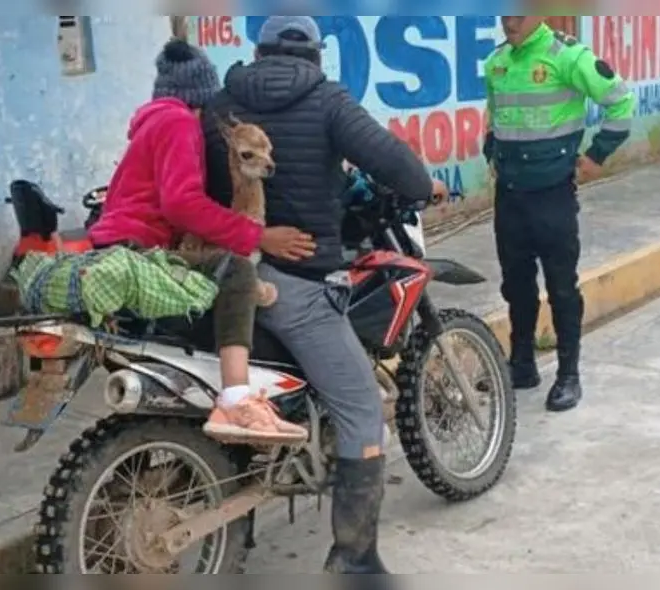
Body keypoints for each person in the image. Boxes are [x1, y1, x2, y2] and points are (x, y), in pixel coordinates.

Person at [200, 16, 449, 574]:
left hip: (221, 270)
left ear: (258, 53)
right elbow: (392, 162)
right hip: (297, 285)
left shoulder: (221, 103)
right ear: (314, 56)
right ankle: (354, 561)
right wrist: (422, 182)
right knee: (363, 409)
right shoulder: (327, 99)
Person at [87, 38, 314, 445]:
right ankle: (237, 398)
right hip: (139, 249)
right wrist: (254, 235)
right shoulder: (179, 123)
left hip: (116, 244)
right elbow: (181, 203)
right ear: (199, 97)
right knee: (236, 272)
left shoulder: (151, 122)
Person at [484, 16, 635, 413]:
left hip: (552, 196)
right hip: (510, 197)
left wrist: (597, 155)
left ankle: (569, 374)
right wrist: (491, 155)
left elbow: (621, 99)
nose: (509, 22)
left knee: (561, 286)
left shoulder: (567, 56)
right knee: (516, 284)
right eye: (503, 13)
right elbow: (494, 119)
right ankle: (522, 363)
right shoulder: (497, 62)